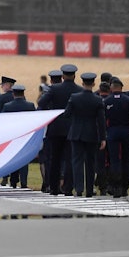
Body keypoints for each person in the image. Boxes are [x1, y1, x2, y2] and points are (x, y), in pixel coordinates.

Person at [37, 64, 80, 195]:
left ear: (62, 76)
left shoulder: (54, 89)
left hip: (55, 128)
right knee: (70, 159)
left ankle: (54, 188)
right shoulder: (79, 89)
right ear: (74, 76)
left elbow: (41, 103)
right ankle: (68, 188)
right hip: (72, 129)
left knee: (54, 159)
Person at [64, 72, 106, 198]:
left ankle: (78, 188)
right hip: (92, 134)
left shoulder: (74, 97)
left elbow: (67, 114)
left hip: (76, 133)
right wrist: (103, 138)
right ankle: (89, 190)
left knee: (76, 161)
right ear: (93, 84)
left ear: (82, 83)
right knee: (90, 163)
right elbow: (101, 121)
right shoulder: (98, 100)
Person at [103, 77, 129, 198]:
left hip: (112, 132)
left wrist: (103, 134)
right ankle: (125, 187)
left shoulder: (106, 101)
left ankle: (116, 187)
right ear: (121, 87)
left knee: (114, 160)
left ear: (111, 88)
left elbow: (102, 119)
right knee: (126, 160)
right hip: (126, 132)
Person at [1, 82, 36, 188]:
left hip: (13, 136)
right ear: (23, 93)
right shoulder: (30, 106)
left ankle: (13, 180)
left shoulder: (7, 106)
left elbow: (2, 121)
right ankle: (24, 181)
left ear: (13, 94)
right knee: (24, 159)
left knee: (13, 158)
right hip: (26, 136)